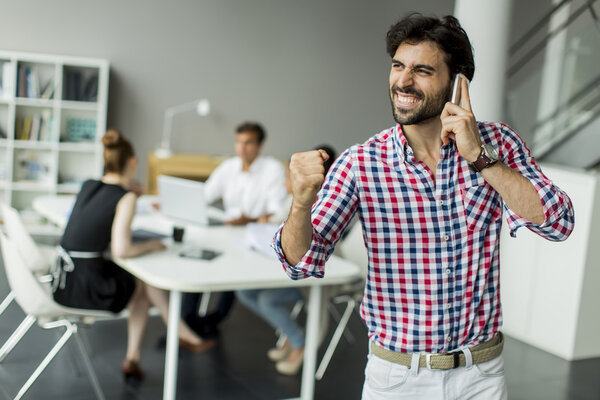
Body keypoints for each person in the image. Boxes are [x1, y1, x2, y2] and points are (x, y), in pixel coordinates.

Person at [272, 13, 575, 399]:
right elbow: (299, 262)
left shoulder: (498, 145)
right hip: (397, 379)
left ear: (457, 81)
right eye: (398, 66)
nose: (403, 81)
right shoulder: (360, 163)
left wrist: (480, 158)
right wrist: (300, 203)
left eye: (422, 70)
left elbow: (559, 222)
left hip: (480, 376)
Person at [53, 129, 215, 385]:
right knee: (140, 284)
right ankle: (173, 333)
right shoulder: (124, 197)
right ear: (132, 162)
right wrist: (152, 244)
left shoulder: (89, 185)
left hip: (63, 279)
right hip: (85, 288)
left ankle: (141, 354)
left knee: (139, 284)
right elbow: (122, 250)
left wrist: (130, 196)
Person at [237, 145, 337, 376]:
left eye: (289, 177)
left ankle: (298, 342)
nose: (285, 183)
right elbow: (279, 218)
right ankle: (291, 337)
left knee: (267, 300)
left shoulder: (327, 202)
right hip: (289, 269)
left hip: (318, 277)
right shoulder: (297, 199)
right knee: (245, 292)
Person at [181, 122, 287, 336]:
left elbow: (277, 214)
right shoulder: (229, 167)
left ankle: (217, 316)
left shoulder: (272, 170)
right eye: (239, 142)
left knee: (231, 265)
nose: (241, 148)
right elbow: (205, 195)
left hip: (254, 235)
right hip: (226, 230)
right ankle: (187, 320)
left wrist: (251, 219)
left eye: (248, 143)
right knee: (198, 254)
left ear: (260, 145)